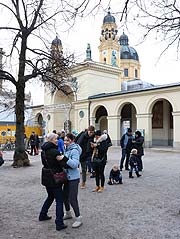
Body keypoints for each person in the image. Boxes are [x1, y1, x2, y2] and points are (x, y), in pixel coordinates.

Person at [39, 132, 67, 231]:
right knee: (59, 200)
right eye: (56, 139)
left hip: (46, 176)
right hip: (54, 177)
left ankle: (42, 214)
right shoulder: (54, 151)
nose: (57, 140)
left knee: (50, 196)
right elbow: (63, 162)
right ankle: (59, 223)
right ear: (51, 140)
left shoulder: (43, 151)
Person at [57, 133, 83, 228]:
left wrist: (64, 158)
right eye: (64, 140)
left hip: (74, 178)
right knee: (64, 196)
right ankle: (68, 213)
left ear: (72, 140)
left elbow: (75, 164)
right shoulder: (66, 149)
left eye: (67, 140)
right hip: (67, 177)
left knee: (72, 199)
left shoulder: (75, 150)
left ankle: (78, 218)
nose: (65, 142)